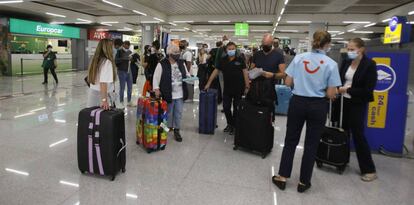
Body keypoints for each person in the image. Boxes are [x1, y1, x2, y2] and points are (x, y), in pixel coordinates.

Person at [272, 30, 341, 193]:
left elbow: (288, 82)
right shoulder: (331, 64)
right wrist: (319, 90)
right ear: (328, 44)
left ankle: (282, 177)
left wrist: (303, 85)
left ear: (312, 42)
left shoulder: (299, 58)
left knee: (290, 140)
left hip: (298, 103)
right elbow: (332, 94)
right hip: (318, 106)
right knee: (311, 144)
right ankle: (304, 182)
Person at [337, 38, 377, 182]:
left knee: (358, 134)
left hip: (357, 103)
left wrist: (348, 90)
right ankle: (343, 159)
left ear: (361, 49)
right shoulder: (347, 62)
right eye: (348, 49)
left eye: (352, 49)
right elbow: (340, 78)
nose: (349, 51)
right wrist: (337, 89)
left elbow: (368, 91)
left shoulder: (370, 65)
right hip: (343, 101)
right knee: (343, 131)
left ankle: (369, 169)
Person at [204, 42, 250, 135]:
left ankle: (235, 126)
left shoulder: (240, 59)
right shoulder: (223, 60)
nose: (231, 50)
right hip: (227, 89)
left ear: (235, 49)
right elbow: (216, 71)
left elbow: (245, 73)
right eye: (229, 49)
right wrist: (208, 83)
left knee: (237, 109)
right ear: (226, 50)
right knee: (226, 107)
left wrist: (247, 86)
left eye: (233, 49)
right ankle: (230, 124)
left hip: (239, 88)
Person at [153, 44, 190, 142]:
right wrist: (156, 89)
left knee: (178, 113)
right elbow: (156, 77)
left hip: (180, 94)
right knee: (166, 114)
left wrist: (190, 77)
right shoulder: (162, 64)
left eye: (178, 52)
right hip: (167, 93)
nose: (177, 54)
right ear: (169, 53)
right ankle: (165, 129)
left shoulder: (181, 63)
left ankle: (176, 130)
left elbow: (186, 74)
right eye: (175, 52)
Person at [86, 39, 117, 110]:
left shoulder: (96, 60)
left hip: (93, 92)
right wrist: (104, 100)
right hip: (101, 95)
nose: (113, 49)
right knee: (101, 119)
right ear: (107, 48)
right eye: (111, 47)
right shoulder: (107, 62)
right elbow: (103, 82)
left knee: (92, 117)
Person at [115, 41, 133, 107]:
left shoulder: (130, 52)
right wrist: (124, 58)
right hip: (122, 71)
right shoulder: (119, 51)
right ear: (124, 45)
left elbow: (132, 61)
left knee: (130, 87)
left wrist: (132, 59)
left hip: (129, 71)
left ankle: (129, 101)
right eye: (127, 45)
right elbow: (116, 60)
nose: (128, 46)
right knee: (122, 87)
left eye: (129, 45)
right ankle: (121, 101)